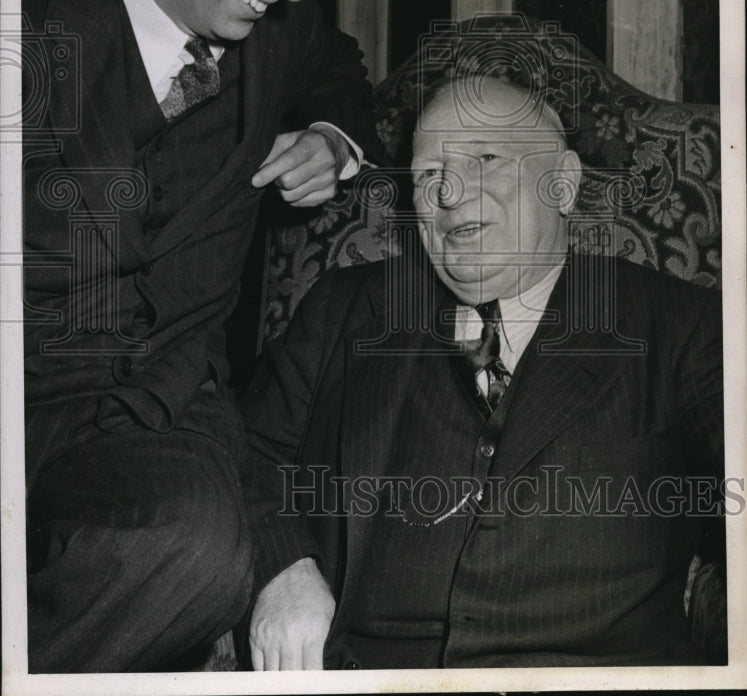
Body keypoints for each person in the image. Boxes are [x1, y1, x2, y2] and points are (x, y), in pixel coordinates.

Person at [22, 0, 380, 672]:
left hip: (158, 422)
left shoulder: (277, 32)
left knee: (197, 557)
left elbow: (337, 64)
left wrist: (336, 137)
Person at [241, 75, 725, 670]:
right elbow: (243, 453)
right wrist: (283, 570)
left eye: (487, 158)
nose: (447, 193)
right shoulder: (344, 310)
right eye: (426, 176)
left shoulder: (682, 323)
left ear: (563, 184)